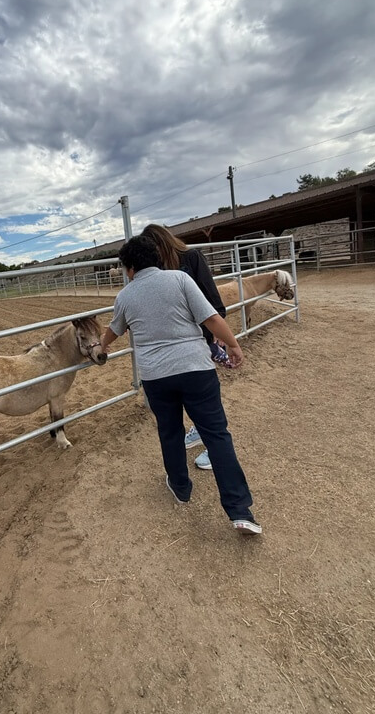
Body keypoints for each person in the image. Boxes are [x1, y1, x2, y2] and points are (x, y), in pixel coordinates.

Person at [100, 235, 261, 535]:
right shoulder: (181, 280)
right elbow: (211, 318)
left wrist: (102, 345)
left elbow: (114, 330)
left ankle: (180, 487)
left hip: (156, 376)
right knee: (216, 434)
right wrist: (233, 346)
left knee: (169, 431)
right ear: (157, 258)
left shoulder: (125, 296)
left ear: (130, 268)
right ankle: (240, 510)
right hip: (195, 368)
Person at [141, 223, 229, 471]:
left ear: (161, 244)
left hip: (197, 338)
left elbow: (213, 302)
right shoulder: (155, 269)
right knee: (192, 396)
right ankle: (201, 432)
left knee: (206, 398)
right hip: (174, 344)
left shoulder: (191, 258)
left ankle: (213, 446)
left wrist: (213, 335)